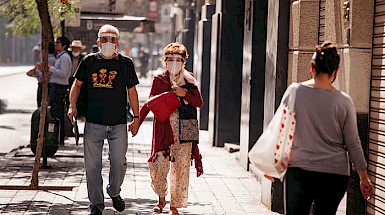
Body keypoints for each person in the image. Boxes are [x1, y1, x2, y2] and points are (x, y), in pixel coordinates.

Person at [266, 41, 374, 214]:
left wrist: (272, 165)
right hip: (335, 174)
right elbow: (353, 143)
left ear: (312, 68)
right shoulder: (344, 101)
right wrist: (364, 178)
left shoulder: (295, 92)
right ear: (336, 71)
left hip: (299, 172)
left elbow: (281, 130)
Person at [67, 24, 140, 215]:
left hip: (118, 123)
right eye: (105, 39)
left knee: (119, 162)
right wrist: (72, 106)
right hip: (93, 123)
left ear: (117, 42)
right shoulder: (89, 61)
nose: (108, 43)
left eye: (112, 39)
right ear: (98, 42)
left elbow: (132, 91)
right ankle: (96, 204)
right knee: (92, 166)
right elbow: (77, 85)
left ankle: (114, 192)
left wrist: (137, 117)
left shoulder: (126, 64)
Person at [138, 43, 203, 215]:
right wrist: (137, 122)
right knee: (159, 164)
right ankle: (161, 199)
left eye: (178, 60)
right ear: (164, 61)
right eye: (170, 59)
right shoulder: (159, 79)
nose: (174, 63)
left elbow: (199, 102)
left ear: (183, 62)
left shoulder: (189, 80)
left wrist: (184, 94)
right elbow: (148, 103)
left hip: (184, 129)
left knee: (181, 167)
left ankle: (174, 205)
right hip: (163, 128)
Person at [37, 37, 72, 146]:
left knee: (57, 113)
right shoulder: (60, 58)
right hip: (55, 87)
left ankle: (59, 138)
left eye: (58, 43)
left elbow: (64, 73)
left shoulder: (65, 58)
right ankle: (54, 136)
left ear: (64, 45)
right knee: (54, 112)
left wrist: (50, 68)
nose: (56, 45)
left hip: (60, 88)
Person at [27, 42, 56, 107]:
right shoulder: (48, 59)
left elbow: (47, 74)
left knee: (43, 105)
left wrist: (37, 72)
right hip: (43, 84)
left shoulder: (50, 59)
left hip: (45, 85)